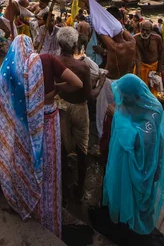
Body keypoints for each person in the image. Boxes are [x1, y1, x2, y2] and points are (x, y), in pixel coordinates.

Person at [0, 34, 82, 237]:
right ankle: (51, 217)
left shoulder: (12, 69)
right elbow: (78, 84)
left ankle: (28, 204)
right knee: (49, 171)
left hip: (23, 131)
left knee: (28, 164)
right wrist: (53, 90)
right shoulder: (46, 60)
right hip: (48, 123)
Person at [103, 74, 164, 236]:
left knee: (140, 197)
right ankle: (125, 221)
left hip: (145, 162)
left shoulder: (154, 110)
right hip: (126, 161)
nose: (122, 100)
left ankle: (136, 226)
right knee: (125, 191)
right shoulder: (128, 103)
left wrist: (117, 116)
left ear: (136, 96)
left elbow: (141, 140)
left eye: (125, 97)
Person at [56, 27, 106, 200]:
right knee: (82, 148)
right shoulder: (82, 66)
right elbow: (89, 96)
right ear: (75, 45)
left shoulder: (53, 61)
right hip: (79, 107)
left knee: (62, 145)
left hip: (61, 106)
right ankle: (79, 190)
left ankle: (63, 184)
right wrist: (100, 82)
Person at [135, 20, 163, 95]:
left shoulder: (157, 39)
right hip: (142, 66)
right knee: (141, 89)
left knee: (153, 91)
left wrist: (159, 70)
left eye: (147, 30)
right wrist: (138, 75)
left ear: (151, 31)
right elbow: (137, 57)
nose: (144, 32)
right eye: (143, 29)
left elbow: (161, 54)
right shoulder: (136, 38)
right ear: (140, 28)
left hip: (154, 67)